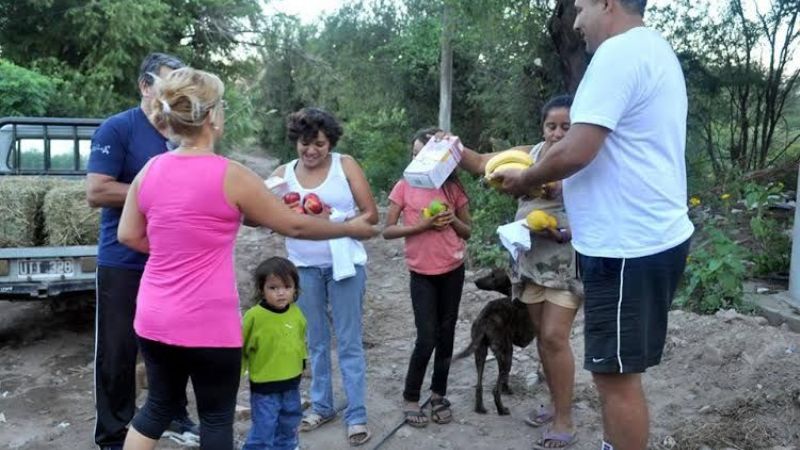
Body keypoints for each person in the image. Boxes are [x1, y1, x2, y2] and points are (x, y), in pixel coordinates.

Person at [117, 68, 377, 450]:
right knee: (216, 418)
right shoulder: (232, 175)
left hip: (154, 316)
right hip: (208, 320)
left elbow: (128, 234)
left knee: (156, 408)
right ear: (212, 116)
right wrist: (350, 228)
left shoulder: (149, 169)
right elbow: (294, 225)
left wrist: (178, 252)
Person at [490, 1, 694, 449]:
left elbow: (578, 149)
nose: (577, 21)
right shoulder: (653, 49)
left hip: (626, 248)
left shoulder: (618, 53)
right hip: (644, 241)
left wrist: (526, 178)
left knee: (615, 379)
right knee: (618, 373)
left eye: (581, 8)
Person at [85, 52, 199, 450]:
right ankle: (114, 434)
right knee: (117, 352)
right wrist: (157, 190)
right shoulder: (118, 128)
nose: (176, 92)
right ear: (145, 86)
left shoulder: (184, 131)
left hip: (173, 259)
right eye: (169, 83)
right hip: (123, 260)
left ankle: (172, 415)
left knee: (174, 344)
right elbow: (97, 190)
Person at [460, 95, 582, 449]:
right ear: (543, 127)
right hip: (529, 263)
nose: (558, 133)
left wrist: (564, 230)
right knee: (542, 337)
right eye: (551, 126)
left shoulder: (583, 159)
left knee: (555, 337)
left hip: (565, 263)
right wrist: (449, 145)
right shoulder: (532, 154)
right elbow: (480, 162)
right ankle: (555, 403)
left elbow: (596, 205)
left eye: (566, 127)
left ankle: (564, 420)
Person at [270, 107, 379, 447]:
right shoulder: (283, 175)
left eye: (319, 143)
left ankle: (356, 414)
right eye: (305, 143)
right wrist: (280, 212)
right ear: (295, 142)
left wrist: (335, 218)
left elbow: (371, 216)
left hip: (344, 265)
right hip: (303, 267)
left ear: (330, 142)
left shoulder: (345, 165)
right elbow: (259, 216)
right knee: (315, 341)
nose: (311, 150)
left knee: (348, 341)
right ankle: (322, 406)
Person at [383, 127, 471, 428]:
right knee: (427, 336)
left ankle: (438, 394)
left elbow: (468, 231)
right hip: (421, 273)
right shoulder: (404, 186)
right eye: (414, 155)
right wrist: (422, 226)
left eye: (424, 155)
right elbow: (388, 230)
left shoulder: (452, 188)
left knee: (446, 335)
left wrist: (452, 219)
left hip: (453, 270)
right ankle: (411, 396)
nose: (418, 160)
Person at [242, 257, 307, 450]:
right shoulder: (254, 317)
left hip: (291, 383)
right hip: (265, 387)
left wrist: (302, 362)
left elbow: (300, 340)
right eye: (273, 287)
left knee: (290, 422)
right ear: (261, 289)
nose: (281, 292)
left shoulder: (296, 313)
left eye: (287, 287)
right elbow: (240, 348)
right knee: (264, 427)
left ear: (295, 288)